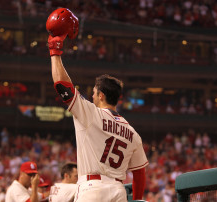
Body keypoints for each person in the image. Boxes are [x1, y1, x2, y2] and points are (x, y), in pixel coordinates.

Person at [46, 8, 149, 201]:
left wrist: (55, 52)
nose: (91, 95)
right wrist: (136, 200)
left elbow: (63, 87)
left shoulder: (91, 113)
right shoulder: (133, 133)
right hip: (118, 191)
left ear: (101, 95)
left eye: (93, 92)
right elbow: (139, 175)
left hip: (92, 189)